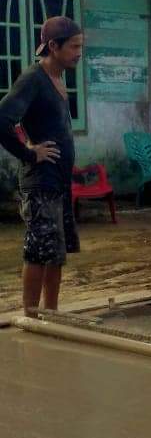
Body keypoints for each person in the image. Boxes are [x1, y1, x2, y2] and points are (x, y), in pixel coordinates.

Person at [0, 16, 82, 312]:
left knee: (56, 251)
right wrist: (29, 152)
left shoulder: (58, 79)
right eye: (74, 46)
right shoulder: (33, 78)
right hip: (40, 182)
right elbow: (3, 119)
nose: (78, 52)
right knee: (37, 250)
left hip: (58, 181)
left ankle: (51, 313)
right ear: (53, 46)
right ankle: (31, 316)